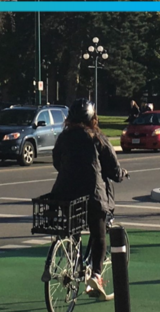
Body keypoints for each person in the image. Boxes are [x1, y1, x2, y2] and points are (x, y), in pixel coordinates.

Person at [49, 99, 126, 298]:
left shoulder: (64, 138)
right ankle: (97, 276)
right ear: (92, 118)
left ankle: (74, 264)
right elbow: (113, 168)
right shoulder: (97, 138)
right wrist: (121, 174)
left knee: (73, 230)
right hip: (93, 195)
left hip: (64, 194)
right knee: (99, 236)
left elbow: (57, 162)